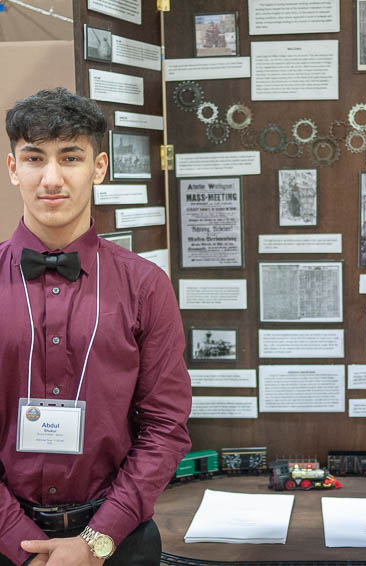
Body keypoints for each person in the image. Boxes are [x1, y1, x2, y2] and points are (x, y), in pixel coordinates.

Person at [0, 88, 192, 565]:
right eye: (34, 158)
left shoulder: (146, 285)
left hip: (119, 539)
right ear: (12, 168)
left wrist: (95, 543)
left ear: (99, 167)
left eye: (70, 157)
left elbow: (166, 427)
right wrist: (18, 543)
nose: (51, 178)